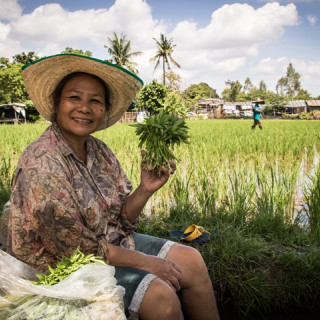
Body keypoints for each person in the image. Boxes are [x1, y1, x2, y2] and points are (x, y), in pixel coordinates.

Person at [7, 54, 220, 320]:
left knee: (192, 261)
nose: (84, 107)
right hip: (64, 266)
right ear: (56, 104)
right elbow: (78, 250)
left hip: (109, 247)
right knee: (162, 300)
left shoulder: (100, 151)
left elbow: (121, 219)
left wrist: (145, 189)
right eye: (74, 98)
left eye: (95, 101)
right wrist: (148, 262)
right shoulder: (41, 161)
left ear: (104, 110)